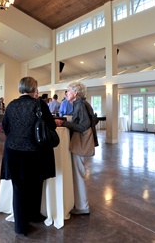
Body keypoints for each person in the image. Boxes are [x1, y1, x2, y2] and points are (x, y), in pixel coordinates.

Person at [0, 76, 56, 235]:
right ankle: (32, 217)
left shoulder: (11, 105)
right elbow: (50, 126)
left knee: (18, 188)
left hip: (13, 151)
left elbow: (5, 126)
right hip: (34, 152)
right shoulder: (39, 104)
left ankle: (20, 225)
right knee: (35, 185)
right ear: (34, 89)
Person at [55, 81, 98, 216]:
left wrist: (64, 123)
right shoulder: (81, 104)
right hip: (80, 143)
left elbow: (83, 126)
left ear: (75, 93)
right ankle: (80, 204)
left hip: (80, 143)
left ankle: (82, 206)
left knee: (79, 173)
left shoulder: (80, 105)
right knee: (79, 172)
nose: (66, 93)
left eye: (68, 90)